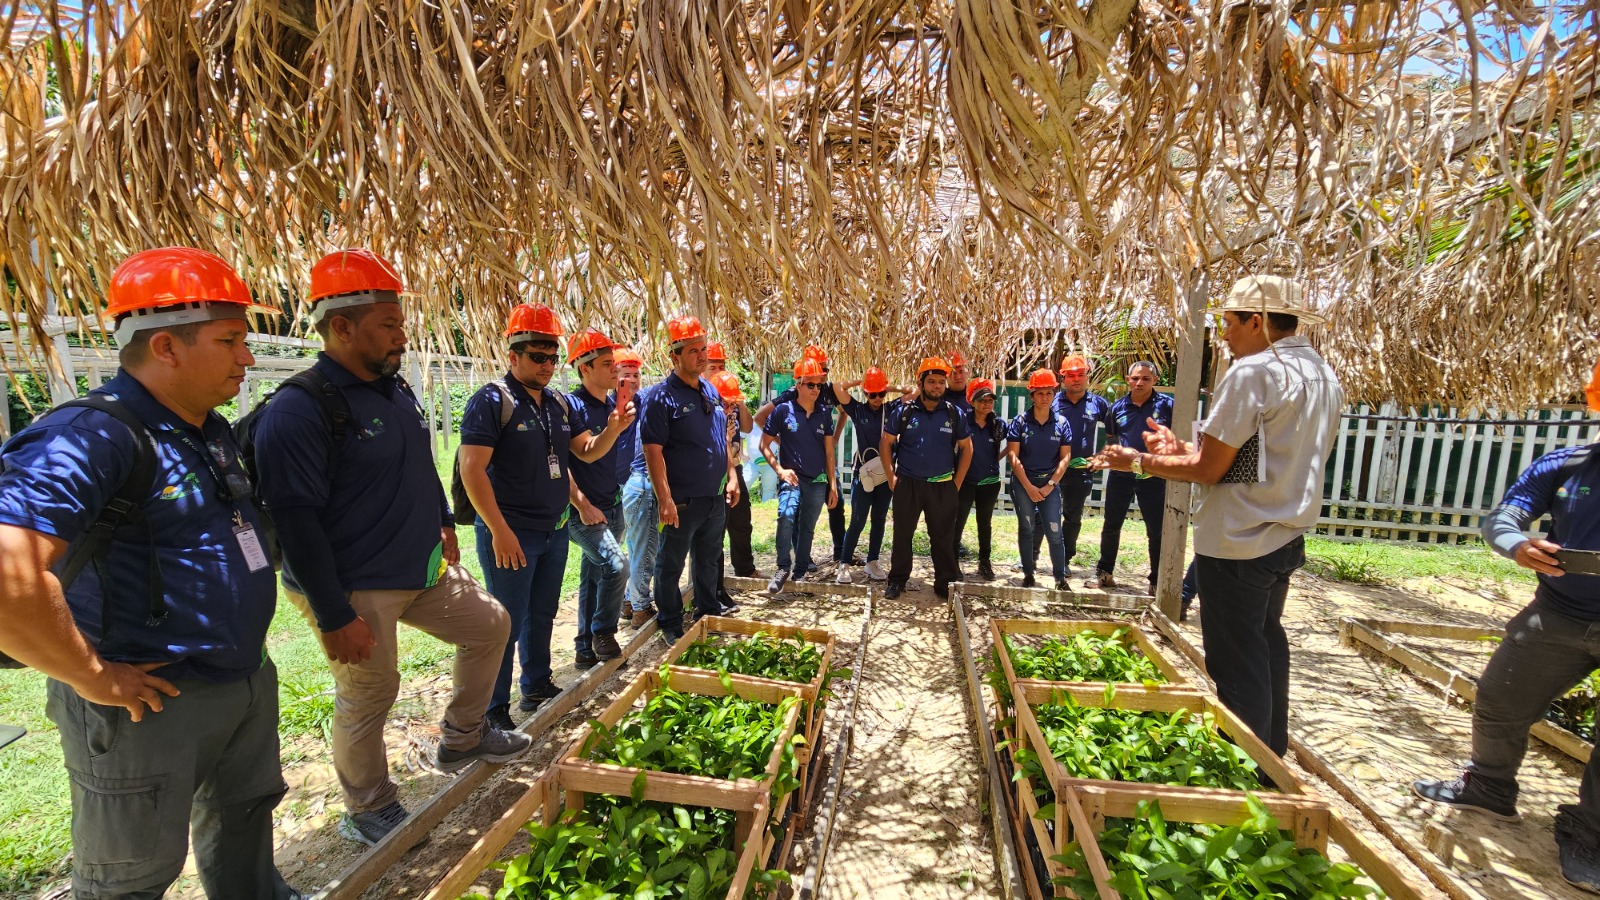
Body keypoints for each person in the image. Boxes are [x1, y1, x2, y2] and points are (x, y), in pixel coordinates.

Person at [0, 248, 300, 899]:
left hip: (240, 679)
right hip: (149, 699)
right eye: (229, 341)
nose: (246, 358)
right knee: (130, 876)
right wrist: (91, 676)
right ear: (165, 345)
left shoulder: (207, 430)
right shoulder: (92, 434)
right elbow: (8, 573)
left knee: (245, 826)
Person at [254, 249, 527, 846]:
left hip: (420, 567)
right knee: (370, 691)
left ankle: (463, 735)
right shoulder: (303, 408)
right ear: (342, 327)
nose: (402, 335)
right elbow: (294, 522)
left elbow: (420, 463)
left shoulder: (393, 388)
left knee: (490, 625)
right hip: (355, 582)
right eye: (389, 324)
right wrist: (333, 613)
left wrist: (443, 520)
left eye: (402, 323)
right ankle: (368, 806)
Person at [1094, 275, 1343, 757]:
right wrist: (1182, 449)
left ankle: (1246, 771)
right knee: (1266, 645)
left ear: (1257, 322)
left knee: (1236, 665)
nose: (1223, 335)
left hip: (1240, 540)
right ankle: (1272, 754)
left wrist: (1140, 462)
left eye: (1228, 324)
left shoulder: (1254, 373)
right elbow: (1252, 460)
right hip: (1284, 536)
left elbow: (1209, 471)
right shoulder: (1319, 375)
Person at [1413, 359, 1600, 893]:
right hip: (1560, 611)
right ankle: (1491, 786)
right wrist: (1517, 544)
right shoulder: (1567, 465)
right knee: (1499, 697)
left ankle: (1590, 832)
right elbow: (1503, 516)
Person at [639, 316, 740, 644]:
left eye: (703, 349)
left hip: (713, 497)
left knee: (708, 559)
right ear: (675, 356)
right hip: (681, 501)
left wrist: (732, 476)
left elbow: (721, 438)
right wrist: (665, 498)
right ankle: (669, 622)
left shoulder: (710, 390)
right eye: (693, 350)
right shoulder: (660, 397)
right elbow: (653, 452)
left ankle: (707, 612)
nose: (701, 356)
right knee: (670, 563)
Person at [563, 329, 638, 671]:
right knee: (616, 566)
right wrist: (580, 503)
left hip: (611, 504)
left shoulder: (613, 406)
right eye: (607, 364)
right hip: (583, 511)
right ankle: (604, 634)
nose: (616, 370)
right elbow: (571, 460)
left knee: (594, 576)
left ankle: (583, 647)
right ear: (584, 368)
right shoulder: (570, 406)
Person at [881, 357, 972, 599]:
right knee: (902, 535)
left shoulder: (955, 414)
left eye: (941, 382)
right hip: (908, 484)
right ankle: (897, 580)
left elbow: (967, 448)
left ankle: (944, 584)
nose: (937, 387)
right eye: (931, 381)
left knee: (943, 538)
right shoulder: (904, 412)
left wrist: (957, 483)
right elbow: (886, 443)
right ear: (920, 383)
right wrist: (892, 477)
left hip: (943, 486)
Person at [756, 346, 851, 566]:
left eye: (825, 371)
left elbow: (843, 414)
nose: (823, 376)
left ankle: (840, 552)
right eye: (820, 370)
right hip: (799, 464)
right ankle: (802, 558)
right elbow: (760, 418)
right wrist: (784, 440)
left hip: (823, 461)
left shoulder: (825, 390)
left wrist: (834, 439)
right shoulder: (791, 394)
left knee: (836, 503)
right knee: (795, 512)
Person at [1093, 361, 1174, 591]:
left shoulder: (1168, 406)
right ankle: (1105, 572)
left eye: (1146, 379)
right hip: (1122, 475)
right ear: (1128, 379)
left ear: (1155, 381)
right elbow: (1110, 436)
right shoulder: (1117, 408)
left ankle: (1156, 580)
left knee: (1156, 530)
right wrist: (1116, 453)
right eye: (1135, 378)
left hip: (1153, 475)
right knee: (1111, 524)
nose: (1139, 383)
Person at [834, 366, 911, 582]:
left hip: (886, 474)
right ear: (865, 394)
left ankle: (872, 561)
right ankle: (844, 563)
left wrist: (889, 387)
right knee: (858, 519)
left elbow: (913, 392)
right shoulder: (858, 410)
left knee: (878, 519)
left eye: (881, 393)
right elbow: (837, 387)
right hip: (864, 473)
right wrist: (861, 382)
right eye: (872, 394)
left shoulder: (892, 408)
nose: (877, 398)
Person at [1048, 354, 1114, 573]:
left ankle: (1065, 560)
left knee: (1072, 516)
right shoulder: (1053, 401)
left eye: (1080, 375)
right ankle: (1032, 557)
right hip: (1051, 468)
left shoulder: (1098, 404)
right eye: (1071, 375)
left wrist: (1102, 455)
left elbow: (1116, 432)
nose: (1076, 379)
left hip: (1080, 471)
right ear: (1063, 378)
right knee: (1042, 513)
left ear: (1087, 377)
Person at [1008, 370, 1074, 590]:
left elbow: (1065, 458)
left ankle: (1060, 578)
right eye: (1040, 393)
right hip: (1023, 483)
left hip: (1049, 484)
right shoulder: (1020, 422)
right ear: (1032, 396)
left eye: (1049, 392)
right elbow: (1013, 456)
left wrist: (1049, 486)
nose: (1044, 397)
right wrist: (1028, 487)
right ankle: (1028, 573)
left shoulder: (1062, 423)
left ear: (1054, 394)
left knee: (1054, 531)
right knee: (1027, 528)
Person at [614, 347, 661, 629]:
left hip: (634, 483)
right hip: (625, 485)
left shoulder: (645, 402)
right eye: (625, 375)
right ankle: (640, 606)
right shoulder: (608, 406)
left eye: (636, 374)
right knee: (641, 546)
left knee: (636, 545)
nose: (632, 380)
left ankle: (631, 601)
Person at [707, 342, 759, 579]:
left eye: (721, 365)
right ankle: (714, 579)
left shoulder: (730, 396)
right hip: (714, 470)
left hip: (734, 466)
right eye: (712, 366)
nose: (718, 370)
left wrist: (736, 398)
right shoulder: (703, 398)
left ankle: (745, 569)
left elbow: (747, 426)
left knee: (741, 521)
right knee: (715, 527)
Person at [955, 379, 1006, 582]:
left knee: (984, 523)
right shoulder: (963, 421)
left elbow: (1014, 444)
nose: (986, 403)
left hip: (989, 481)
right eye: (981, 400)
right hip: (966, 480)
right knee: (958, 521)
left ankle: (984, 562)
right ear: (972, 401)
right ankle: (953, 562)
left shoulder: (998, 424)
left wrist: (996, 460)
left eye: (990, 400)